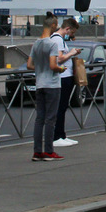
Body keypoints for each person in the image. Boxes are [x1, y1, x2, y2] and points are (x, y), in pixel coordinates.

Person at [29, 14, 76, 161]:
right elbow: (53, 65)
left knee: (39, 119)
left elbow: (30, 65)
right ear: (54, 26)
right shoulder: (52, 44)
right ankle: (49, 151)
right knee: (50, 119)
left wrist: (40, 68)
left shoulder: (36, 43)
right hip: (52, 85)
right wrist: (61, 69)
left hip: (39, 84)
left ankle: (37, 152)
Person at [53, 17, 81, 149]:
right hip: (62, 77)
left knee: (63, 106)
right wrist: (72, 53)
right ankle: (57, 136)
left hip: (64, 76)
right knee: (60, 107)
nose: (71, 35)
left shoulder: (59, 39)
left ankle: (61, 135)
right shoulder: (58, 39)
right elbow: (59, 59)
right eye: (72, 32)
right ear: (68, 29)